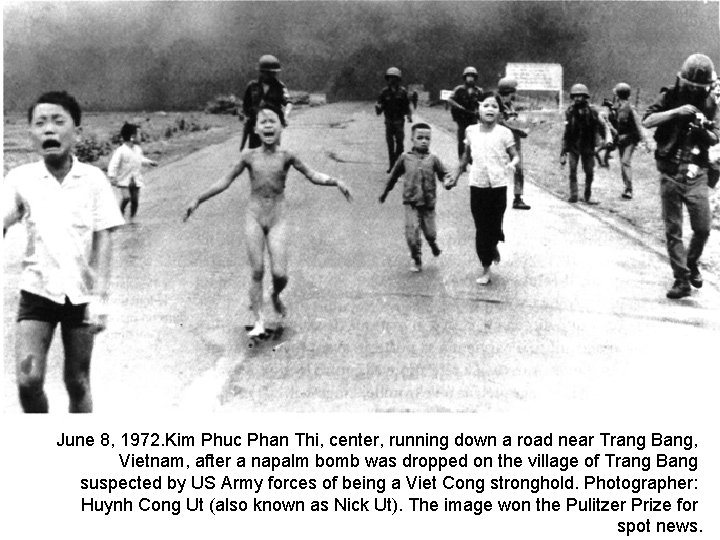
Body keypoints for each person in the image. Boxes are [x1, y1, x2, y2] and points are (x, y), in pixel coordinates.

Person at [3, 91, 125, 413]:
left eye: (58, 121)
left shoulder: (93, 180)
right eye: (40, 123)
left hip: (81, 298)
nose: (49, 129)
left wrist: (100, 296)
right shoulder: (21, 179)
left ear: (77, 132)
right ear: (31, 133)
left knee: (77, 381)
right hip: (37, 294)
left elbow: (104, 237)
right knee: (28, 381)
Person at [184, 105, 353, 336]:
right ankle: (258, 321)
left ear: (282, 127)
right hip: (254, 216)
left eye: (272, 121)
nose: (267, 126)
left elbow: (312, 175)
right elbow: (225, 180)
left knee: (280, 274)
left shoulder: (288, 156)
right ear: (255, 128)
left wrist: (335, 181)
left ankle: (274, 295)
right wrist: (198, 199)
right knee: (257, 270)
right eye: (262, 122)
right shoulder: (248, 156)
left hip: (277, 217)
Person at [642, 53, 718, 299]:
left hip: (696, 173)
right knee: (673, 229)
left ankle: (691, 262)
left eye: (700, 88)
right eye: (691, 87)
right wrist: (676, 112)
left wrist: (704, 131)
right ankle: (681, 279)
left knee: (703, 228)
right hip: (670, 173)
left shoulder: (712, 104)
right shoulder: (668, 97)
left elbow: (717, 134)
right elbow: (647, 120)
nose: (695, 92)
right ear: (682, 81)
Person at [446, 92, 519, 285]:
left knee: (494, 226)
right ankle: (486, 267)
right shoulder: (470, 131)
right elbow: (465, 158)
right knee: (481, 227)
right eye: (486, 105)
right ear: (479, 109)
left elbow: (515, 155)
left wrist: (513, 163)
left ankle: (493, 244)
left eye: (494, 106)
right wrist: (455, 176)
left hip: (498, 185)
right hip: (477, 185)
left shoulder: (504, 133)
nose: (490, 109)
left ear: (499, 112)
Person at [379, 123, 451, 272]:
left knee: (430, 232)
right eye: (420, 137)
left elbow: (444, 174)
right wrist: (385, 192)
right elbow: (393, 176)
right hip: (411, 202)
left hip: (428, 203)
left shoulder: (433, 159)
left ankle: (432, 243)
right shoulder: (405, 158)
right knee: (412, 234)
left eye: (427, 138)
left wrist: (447, 182)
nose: (424, 141)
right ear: (412, 138)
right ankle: (416, 257)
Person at [560, 83, 612, 204]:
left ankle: (587, 195)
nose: (577, 98)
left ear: (585, 97)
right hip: (573, 146)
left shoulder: (593, 111)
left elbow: (603, 125)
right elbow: (566, 132)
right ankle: (574, 195)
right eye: (575, 96)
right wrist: (563, 151)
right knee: (572, 170)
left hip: (588, 146)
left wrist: (607, 139)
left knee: (589, 172)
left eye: (580, 96)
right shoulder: (570, 111)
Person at [107, 122, 158, 222]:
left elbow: (140, 159)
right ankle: (120, 213)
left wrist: (150, 162)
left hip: (135, 178)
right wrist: (112, 177)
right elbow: (113, 164)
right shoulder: (121, 150)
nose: (141, 137)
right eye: (139, 135)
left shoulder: (138, 149)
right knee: (126, 197)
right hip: (124, 179)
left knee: (135, 200)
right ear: (132, 137)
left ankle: (133, 216)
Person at [240, 54, 291, 151]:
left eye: (273, 73)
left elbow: (288, 102)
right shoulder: (252, 86)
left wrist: (286, 115)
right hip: (256, 125)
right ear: (261, 72)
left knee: (273, 153)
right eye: (268, 73)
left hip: (272, 125)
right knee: (254, 154)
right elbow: (246, 106)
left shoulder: (279, 86)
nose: (271, 75)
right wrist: (246, 118)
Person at [497, 77, 531, 210]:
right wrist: (518, 130)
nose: (515, 94)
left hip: (514, 142)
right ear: (510, 91)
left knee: (519, 169)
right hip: (502, 142)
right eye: (514, 91)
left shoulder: (510, 105)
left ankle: (518, 198)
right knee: (500, 170)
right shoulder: (498, 104)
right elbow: (501, 122)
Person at [612, 82, 649, 200]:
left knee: (625, 162)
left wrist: (645, 141)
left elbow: (638, 125)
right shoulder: (616, 108)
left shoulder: (630, 109)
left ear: (618, 95)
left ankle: (629, 189)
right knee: (623, 164)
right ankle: (626, 187)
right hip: (621, 140)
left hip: (630, 140)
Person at [375, 67, 413, 172]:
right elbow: (380, 107)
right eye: (390, 78)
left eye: (394, 78)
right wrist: (378, 107)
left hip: (399, 121)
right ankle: (392, 165)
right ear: (387, 79)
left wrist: (409, 116)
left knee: (400, 144)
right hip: (389, 121)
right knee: (390, 145)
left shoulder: (402, 92)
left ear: (398, 79)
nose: (392, 80)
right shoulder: (384, 92)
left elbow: (407, 105)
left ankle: (398, 164)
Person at [448, 66, 481, 159]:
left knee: (473, 139)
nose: (470, 78)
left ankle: (471, 158)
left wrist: (478, 111)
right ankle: (461, 159)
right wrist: (460, 107)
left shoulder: (478, 91)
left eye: (472, 76)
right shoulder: (459, 89)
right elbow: (450, 100)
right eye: (468, 76)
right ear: (465, 77)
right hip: (462, 118)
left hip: (473, 117)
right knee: (462, 139)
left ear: (475, 78)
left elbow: (482, 103)